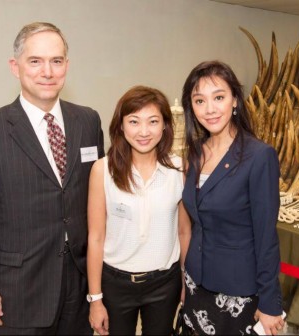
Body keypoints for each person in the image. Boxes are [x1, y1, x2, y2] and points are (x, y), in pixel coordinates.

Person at [0, 22, 105, 335]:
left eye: (57, 61)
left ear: (67, 65)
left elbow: (96, 199)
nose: (47, 72)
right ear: (16, 66)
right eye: (35, 61)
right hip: (18, 292)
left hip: (79, 286)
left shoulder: (88, 120)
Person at [179, 60, 285, 335]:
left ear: (235, 100)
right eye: (199, 100)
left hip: (237, 291)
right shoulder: (194, 153)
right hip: (196, 283)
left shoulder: (259, 156)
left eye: (219, 97)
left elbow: (266, 235)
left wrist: (271, 301)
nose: (210, 109)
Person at [86, 85, 188, 335]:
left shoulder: (179, 170)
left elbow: (184, 232)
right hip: (115, 284)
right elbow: (95, 237)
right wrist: (95, 299)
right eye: (134, 121)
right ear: (121, 126)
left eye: (153, 121)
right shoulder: (103, 170)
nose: (144, 131)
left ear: (165, 125)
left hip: (165, 283)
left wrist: (187, 282)